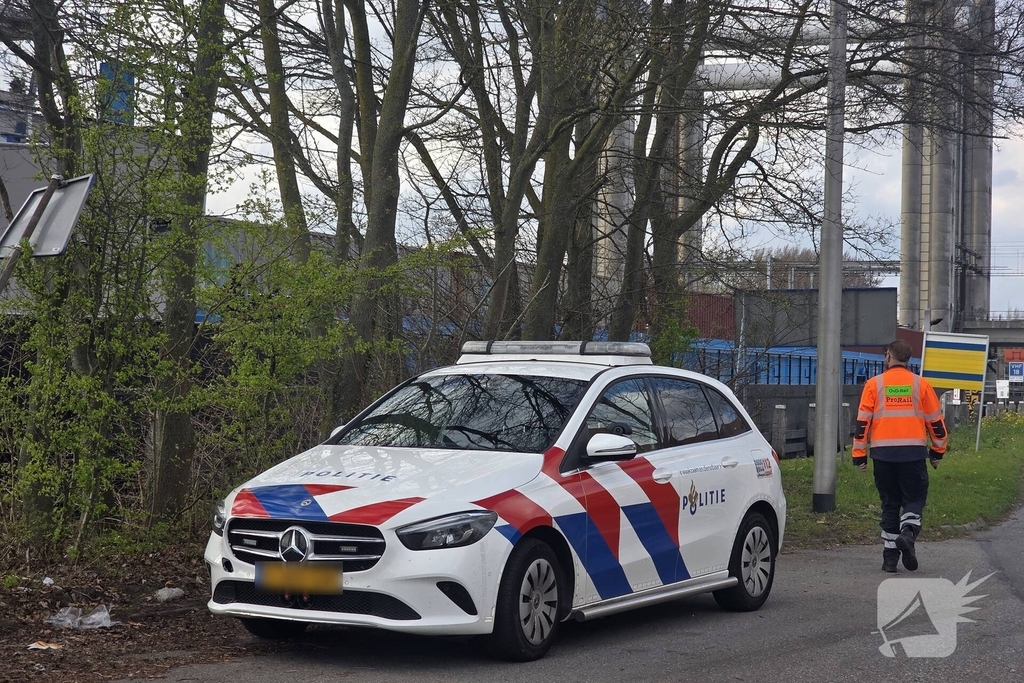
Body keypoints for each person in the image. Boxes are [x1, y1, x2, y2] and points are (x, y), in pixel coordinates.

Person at [852, 339, 948, 573]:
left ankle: (889, 560)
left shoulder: (874, 385)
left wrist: (859, 455)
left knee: (890, 504)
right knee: (914, 499)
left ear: (888, 357)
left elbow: (862, 423)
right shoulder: (921, 385)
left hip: (883, 455)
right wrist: (937, 451)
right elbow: (936, 424)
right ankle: (907, 533)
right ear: (909, 360)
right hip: (913, 454)